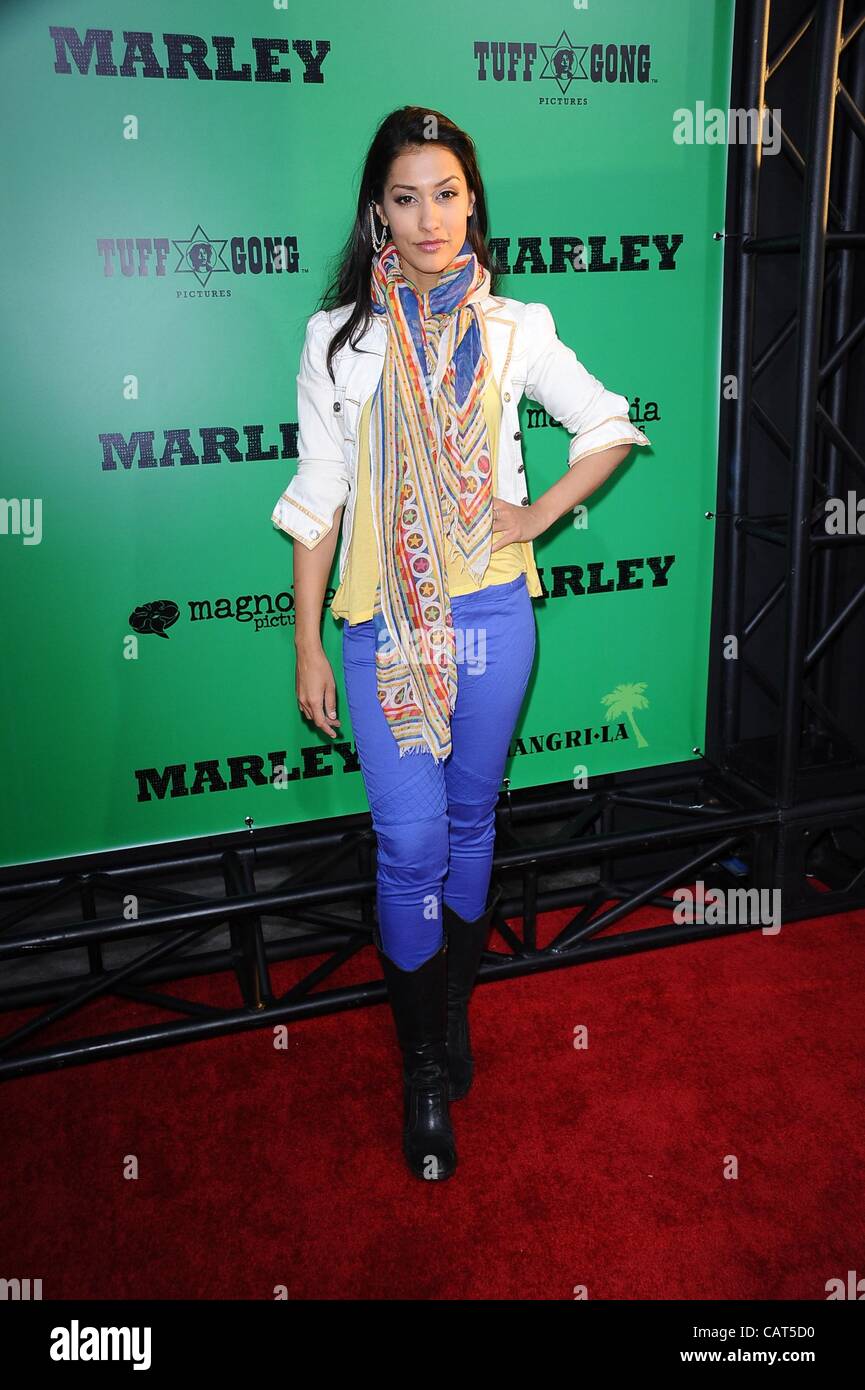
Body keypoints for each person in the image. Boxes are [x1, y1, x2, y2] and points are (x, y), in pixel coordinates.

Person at [271, 106, 651, 1182]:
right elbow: (318, 495)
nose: (429, 217)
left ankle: (448, 1016)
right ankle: (422, 1068)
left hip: (491, 614)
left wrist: (532, 520)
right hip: (382, 624)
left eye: (445, 192)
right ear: (377, 211)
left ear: (471, 198)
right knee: (407, 843)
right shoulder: (339, 338)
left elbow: (609, 422)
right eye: (405, 196)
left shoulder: (517, 326)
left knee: (475, 816)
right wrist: (306, 643)